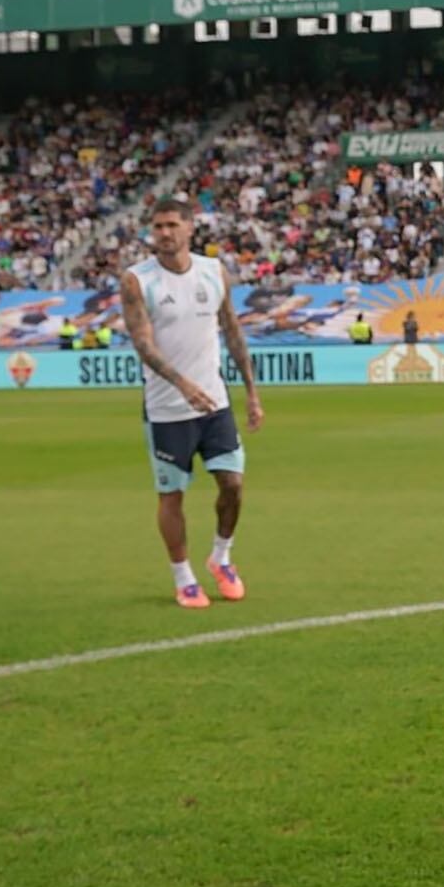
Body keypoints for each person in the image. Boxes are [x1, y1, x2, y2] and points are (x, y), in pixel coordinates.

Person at [120, 200, 264, 610]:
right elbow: (142, 344)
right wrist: (182, 385)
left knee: (233, 485)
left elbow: (232, 331)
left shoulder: (213, 271)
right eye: (157, 226)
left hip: (215, 404)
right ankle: (183, 577)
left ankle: (221, 556)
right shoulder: (137, 280)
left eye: (171, 225)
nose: (164, 233)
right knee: (172, 496)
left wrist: (251, 392)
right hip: (167, 409)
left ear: (189, 228)